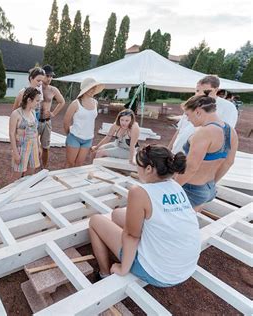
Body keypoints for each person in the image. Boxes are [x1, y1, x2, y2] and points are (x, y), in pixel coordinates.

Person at [89, 145, 201, 287]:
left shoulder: (139, 192)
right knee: (117, 214)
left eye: (138, 165)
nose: (137, 169)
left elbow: (131, 236)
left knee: (95, 220)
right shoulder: (176, 186)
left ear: (149, 169)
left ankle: (103, 274)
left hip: (158, 273)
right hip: (185, 268)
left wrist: (123, 268)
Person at [174, 94, 238, 211]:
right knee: (189, 223)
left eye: (188, 115)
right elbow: (229, 162)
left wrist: (173, 187)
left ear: (198, 112)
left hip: (191, 188)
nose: (188, 119)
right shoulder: (231, 131)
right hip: (208, 188)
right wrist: (211, 184)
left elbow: (192, 167)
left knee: (171, 224)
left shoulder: (204, 132)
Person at [169, 75, 238, 154]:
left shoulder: (228, 107)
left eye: (206, 92)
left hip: (196, 158)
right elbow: (179, 130)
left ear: (216, 90)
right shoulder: (192, 103)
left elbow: (224, 136)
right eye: (197, 91)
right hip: (176, 153)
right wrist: (169, 150)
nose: (200, 94)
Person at [63, 78, 104, 168]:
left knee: (79, 164)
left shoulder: (95, 103)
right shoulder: (75, 103)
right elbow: (66, 121)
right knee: (70, 163)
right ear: (85, 89)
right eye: (91, 88)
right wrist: (69, 135)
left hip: (88, 139)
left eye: (94, 88)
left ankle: (74, 182)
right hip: (74, 137)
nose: (93, 90)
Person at [9, 87, 41, 180]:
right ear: (29, 100)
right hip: (21, 147)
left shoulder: (33, 112)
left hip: (33, 145)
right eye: (37, 101)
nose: (39, 103)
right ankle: (12, 193)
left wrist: (38, 146)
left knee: (31, 172)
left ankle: (24, 193)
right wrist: (15, 153)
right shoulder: (16, 114)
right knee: (17, 175)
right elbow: (11, 134)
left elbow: (36, 131)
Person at [39, 64, 66, 168]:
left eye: (51, 76)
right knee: (32, 146)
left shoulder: (53, 89)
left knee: (45, 147)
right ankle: (29, 168)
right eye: (47, 76)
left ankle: (44, 168)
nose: (49, 78)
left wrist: (53, 113)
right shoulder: (36, 87)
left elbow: (62, 102)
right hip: (35, 121)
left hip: (46, 121)